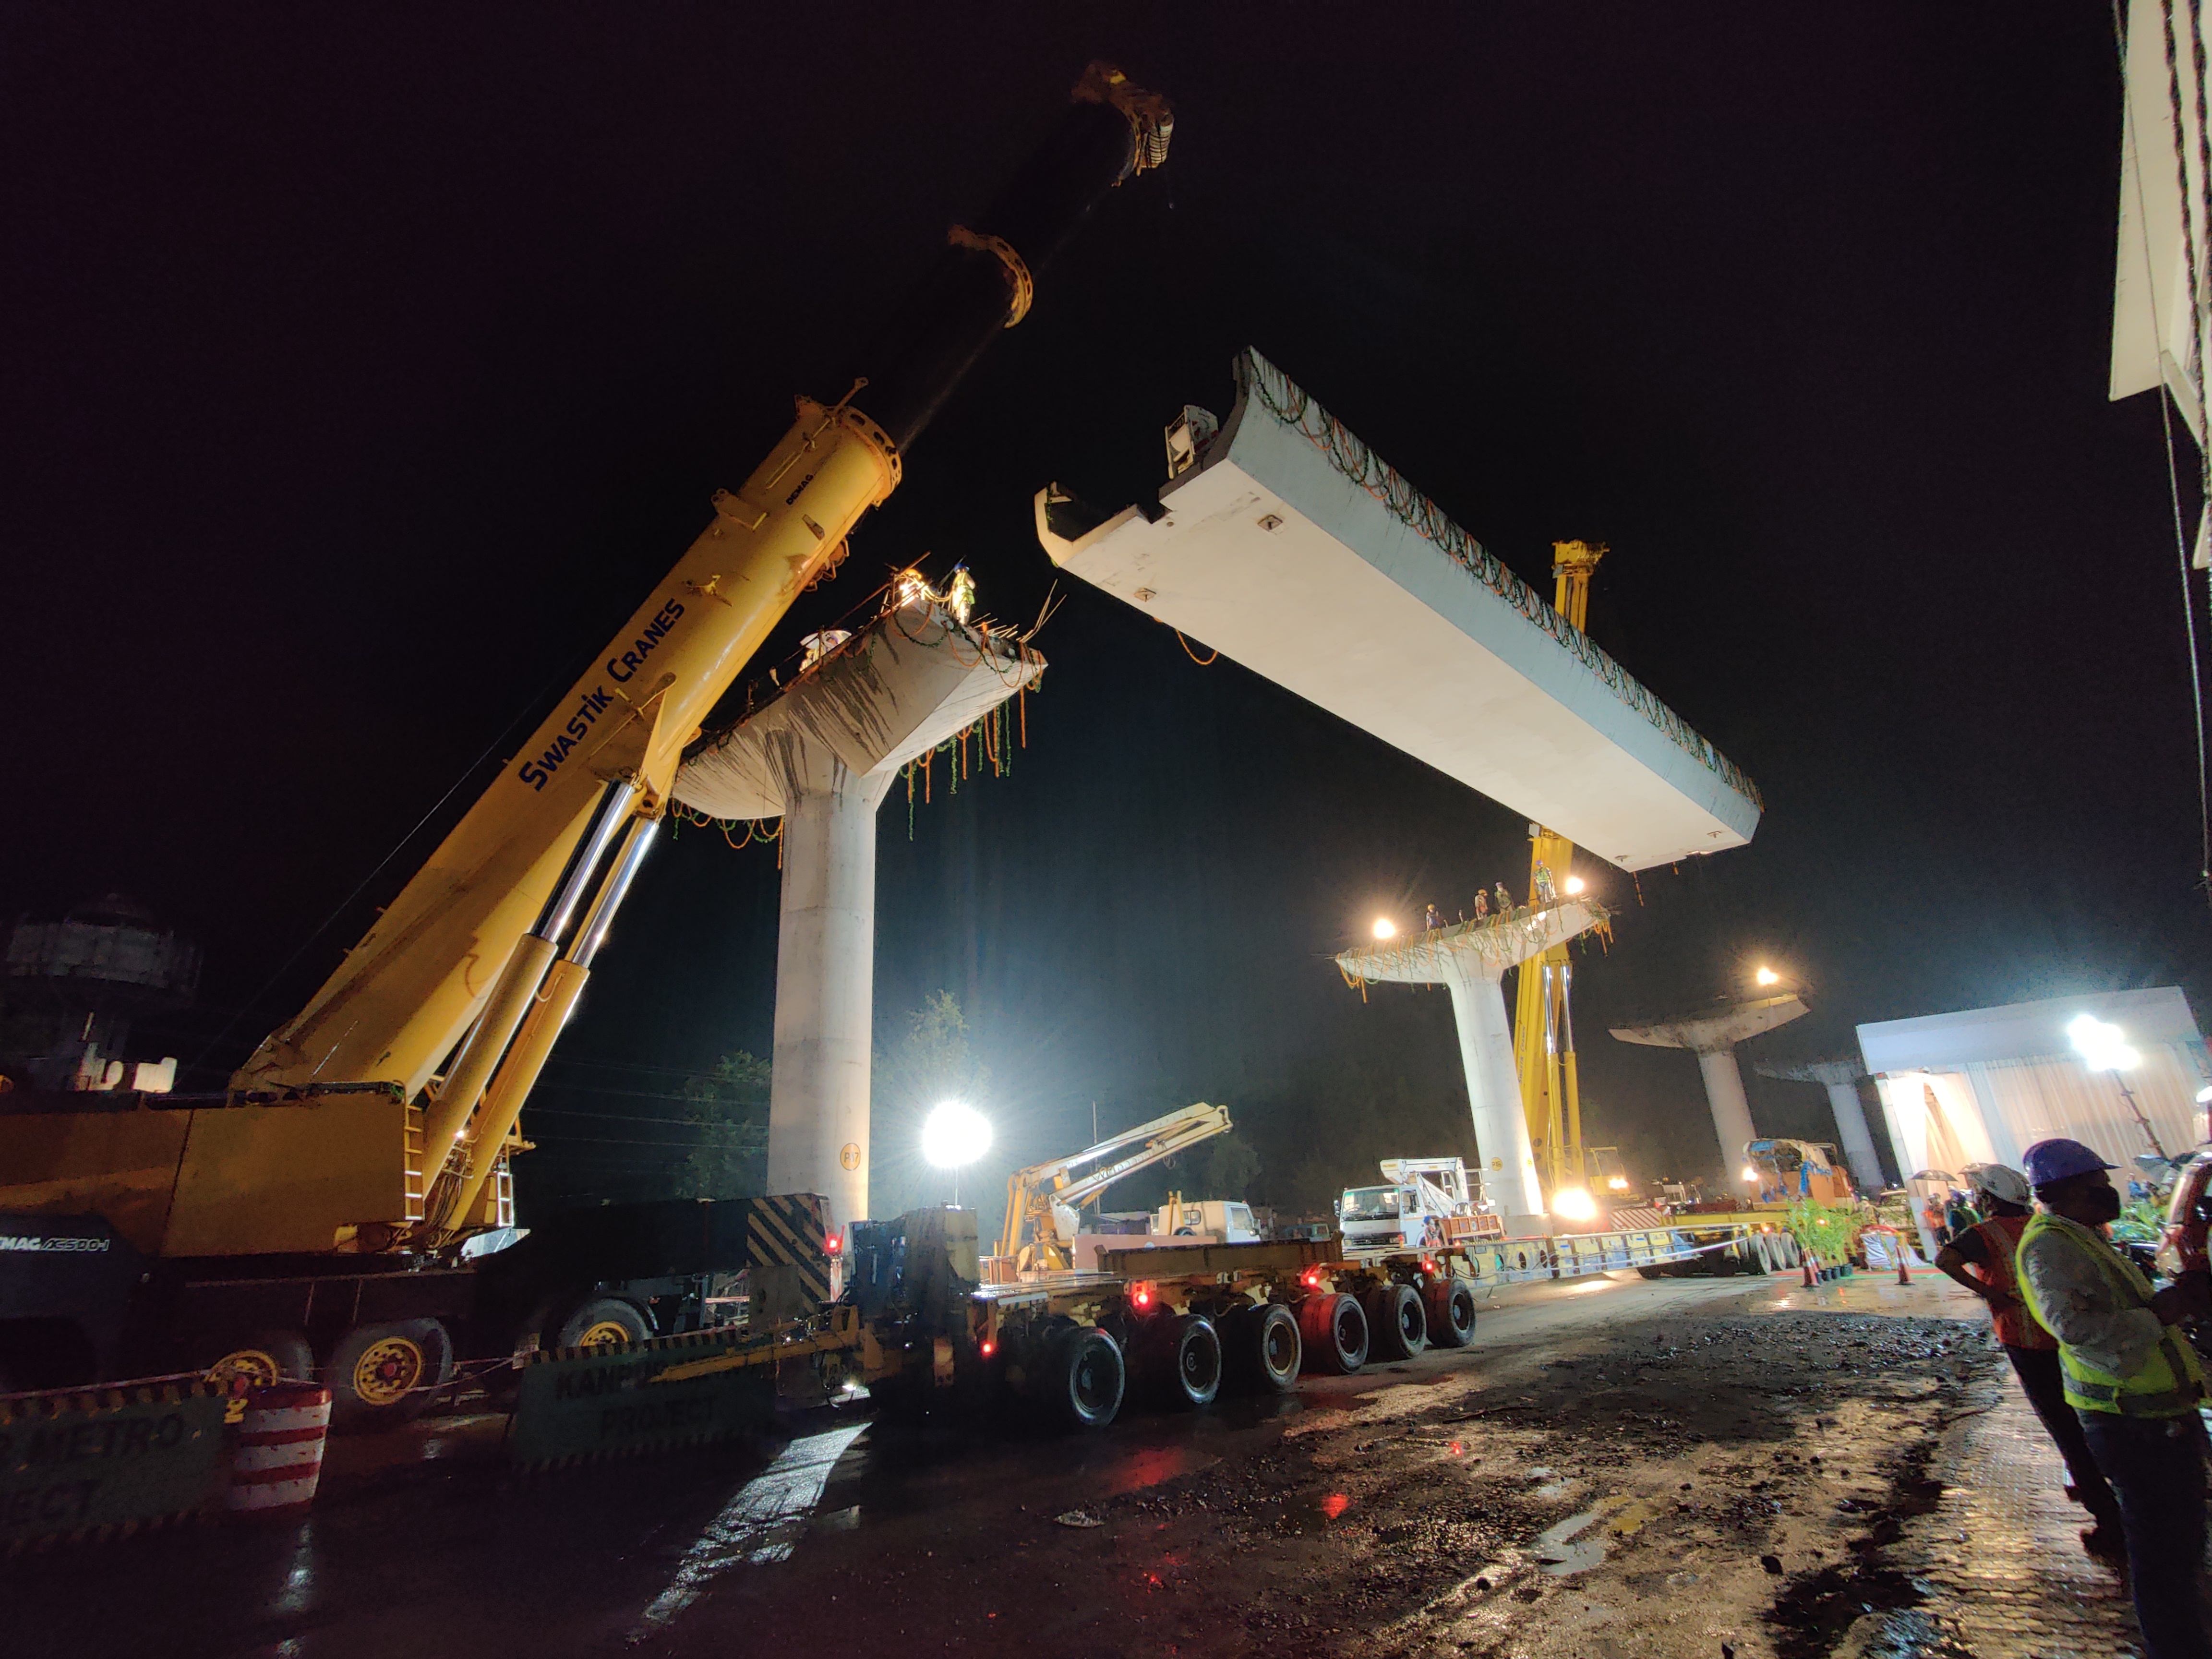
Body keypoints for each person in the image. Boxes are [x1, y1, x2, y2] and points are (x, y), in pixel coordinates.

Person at [2017, 1138, 2212, 1659]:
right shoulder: (2051, 1246)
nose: (2108, 1191)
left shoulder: (2083, 1237)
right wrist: (2159, 1315)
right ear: (2066, 1191)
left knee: (2181, 1548)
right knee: (2162, 1557)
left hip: (2158, 1416)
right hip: (2134, 1426)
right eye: (2097, 1184)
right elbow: (2074, 1327)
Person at [1934, 1163, 2123, 1558]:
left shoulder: (1983, 1234)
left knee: (2065, 1428)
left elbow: (1944, 1261)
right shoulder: (2046, 1226)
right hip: (2073, 1339)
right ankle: (2115, 1494)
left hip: (2025, 1339)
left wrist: (1988, 1292)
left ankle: (2109, 1521)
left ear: (1987, 1199)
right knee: (2092, 1418)